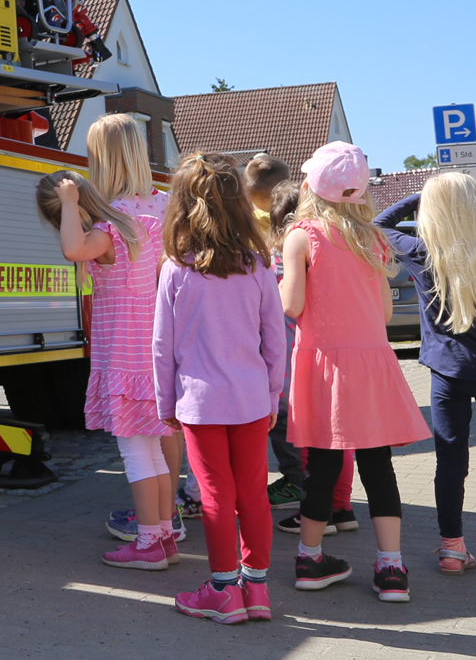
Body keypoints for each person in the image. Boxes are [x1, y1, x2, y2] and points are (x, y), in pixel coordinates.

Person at [281, 142, 431, 602]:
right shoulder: (375, 239)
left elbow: (293, 305)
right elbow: (385, 311)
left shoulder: (302, 235)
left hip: (324, 364)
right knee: (378, 466)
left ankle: (310, 559)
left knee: (322, 466)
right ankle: (391, 569)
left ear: (311, 185)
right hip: (370, 364)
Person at [376, 171, 476, 575]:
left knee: (450, 462)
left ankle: (451, 550)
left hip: (447, 375)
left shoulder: (423, 252)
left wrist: (419, 196)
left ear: (435, 211)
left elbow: (377, 225)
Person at [154, 152, 289, 624]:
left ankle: (222, 590)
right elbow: (276, 338)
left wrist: (164, 403)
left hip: (199, 403)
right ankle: (257, 590)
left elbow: (162, 346)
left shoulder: (176, 268)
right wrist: (274, 395)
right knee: (253, 494)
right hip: (252, 399)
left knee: (215, 497)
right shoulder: (257, 266)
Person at [36, 163, 175, 570]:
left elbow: (71, 250)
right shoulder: (142, 225)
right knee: (154, 454)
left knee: (136, 454)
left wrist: (66, 204)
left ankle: (148, 542)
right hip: (152, 356)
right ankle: (164, 535)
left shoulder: (105, 234)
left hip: (124, 359)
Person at [83, 114, 199, 541]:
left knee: (141, 437)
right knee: (168, 425)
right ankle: (171, 516)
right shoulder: (169, 203)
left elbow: (76, 253)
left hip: (128, 338)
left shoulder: (107, 214)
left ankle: (154, 524)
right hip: (174, 330)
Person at [263, 178, 358, 537]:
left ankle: (315, 510)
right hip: (338, 351)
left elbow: (284, 305)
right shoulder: (336, 245)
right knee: (340, 437)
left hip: (297, 354)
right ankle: (342, 506)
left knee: (306, 437)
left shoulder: (286, 252)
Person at [244, 156, 305, 510]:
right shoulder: (304, 230)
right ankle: (308, 484)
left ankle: (296, 481)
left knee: (279, 416)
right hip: (303, 343)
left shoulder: (263, 241)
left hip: (276, 344)